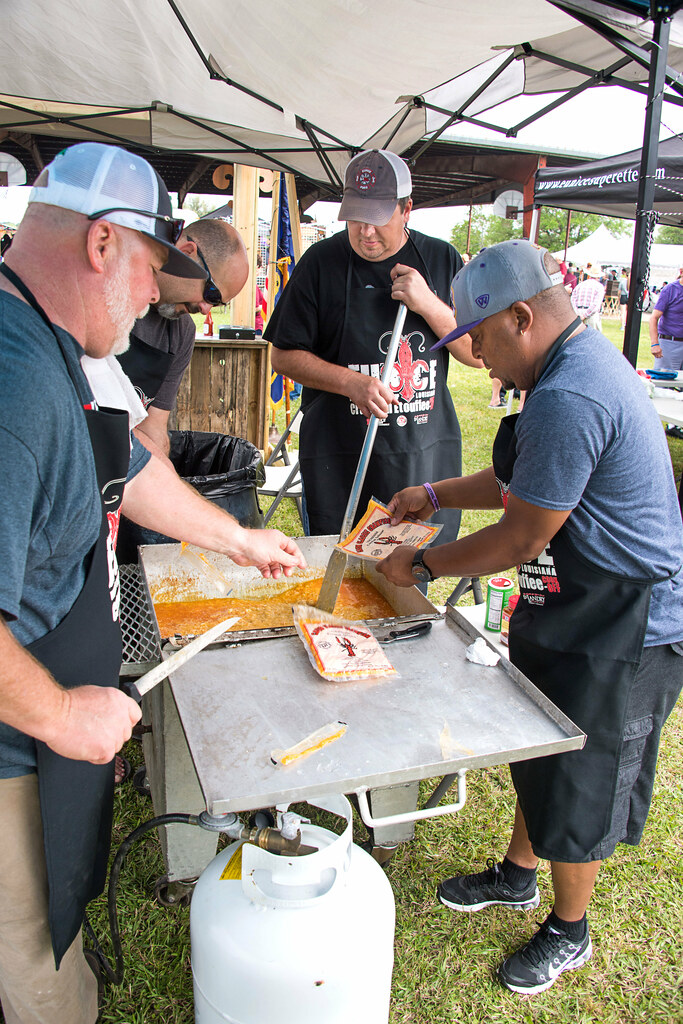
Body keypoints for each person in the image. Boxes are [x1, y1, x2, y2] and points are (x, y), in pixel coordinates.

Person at [0, 141, 306, 1024]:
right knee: (33, 956)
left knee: (60, 907)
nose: (152, 296)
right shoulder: (13, 385)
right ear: (102, 244)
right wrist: (62, 714)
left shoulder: (51, 338)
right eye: (148, 267)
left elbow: (126, 466)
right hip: (16, 740)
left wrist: (236, 538)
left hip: (48, 713)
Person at [376, 239, 683, 995]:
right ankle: (518, 874)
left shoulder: (571, 394)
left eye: (479, 338)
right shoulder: (561, 371)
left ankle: (570, 930)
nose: (476, 355)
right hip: (575, 603)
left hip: (628, 620)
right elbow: (523, 478)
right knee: (542, 742)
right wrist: (435, 494)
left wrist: (420, 564)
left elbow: (521, 537)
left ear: (520, 317)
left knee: (579, 776)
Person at [265, 148, 480, 540]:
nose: (365, 232)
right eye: (356, 218)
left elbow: (475, 353)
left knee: (416, 568)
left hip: (422, 455)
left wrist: (429, 304)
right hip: (339, 459)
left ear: (406, 209)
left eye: (377, 219)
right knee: (338, 561)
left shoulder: (441, 258)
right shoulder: (320, 263)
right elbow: (283, 355)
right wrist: (351, 383)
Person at [117, 218, 249, 457]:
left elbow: (153, 429)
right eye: (211, 293)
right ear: (187, 253)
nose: (206, 309)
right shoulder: (111, 292)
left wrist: (167, 477)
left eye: (218, 304)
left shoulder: (181, 332)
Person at [649, 267, 683, 370]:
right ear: (681, 272)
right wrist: (654, 344)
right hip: (670, 343)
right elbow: (654, 318)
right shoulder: (670, 289)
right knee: (665, 377)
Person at [571, 263, 605, 331]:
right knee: (593, 336)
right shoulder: (599, 287)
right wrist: (585, 315)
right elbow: (596, 305)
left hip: (578, 314)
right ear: (599, 277)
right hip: (591, 316)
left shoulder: (579, 285)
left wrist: (577, 313)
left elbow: (572, 301)